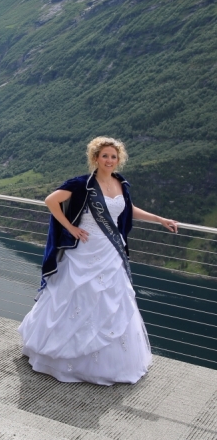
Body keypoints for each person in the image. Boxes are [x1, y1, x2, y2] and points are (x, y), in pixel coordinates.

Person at [18, 137, 178, 386]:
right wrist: (70, 228)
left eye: (114, 156)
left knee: (111, 301)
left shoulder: (120, 183)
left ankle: (106, 364)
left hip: (111, 252)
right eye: (105, 156)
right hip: (84, 248)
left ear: (118, 159)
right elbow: (51, 200)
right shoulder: (82, 184)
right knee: (76, 297)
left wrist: (160, 219)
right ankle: (63, 357)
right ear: (95, 158)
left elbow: (127, 209)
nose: (110, 161)